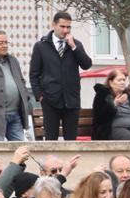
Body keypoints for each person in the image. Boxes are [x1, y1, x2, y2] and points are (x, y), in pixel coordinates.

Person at [29, 11, 93, 140]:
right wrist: (39, 96)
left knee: (71, 139)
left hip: (71, 99)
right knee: (51, 139)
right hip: (50, 99)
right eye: (62, 26)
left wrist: (74, 47)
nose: (66, 30)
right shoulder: (41, 46)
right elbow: (34, 74)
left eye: (68, 27)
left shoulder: (76, 44)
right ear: (54, 25)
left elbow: (86, 65)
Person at [88, 68, 130, 142]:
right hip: (112, 129)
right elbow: (99, 117)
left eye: (124, 80)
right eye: (119, 80)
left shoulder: (129, 95)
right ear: (111, 82)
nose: (122, 82)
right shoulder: (102, 95)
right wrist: (114, 104)